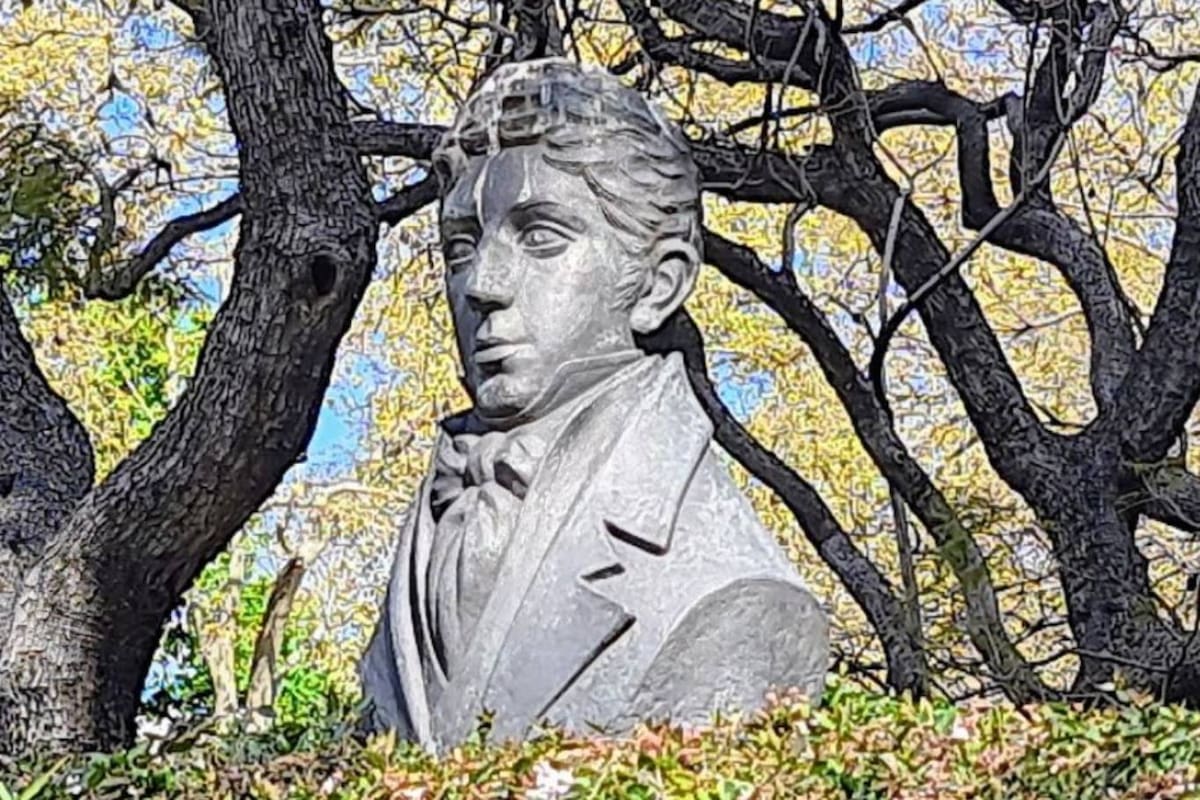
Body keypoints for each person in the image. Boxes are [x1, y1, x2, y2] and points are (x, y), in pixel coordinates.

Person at [360, 58, 828, 752]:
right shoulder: (432, 521)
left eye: (541, 235)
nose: (482, 285)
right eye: (462, 246)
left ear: (657, 287)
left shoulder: (733, 593)